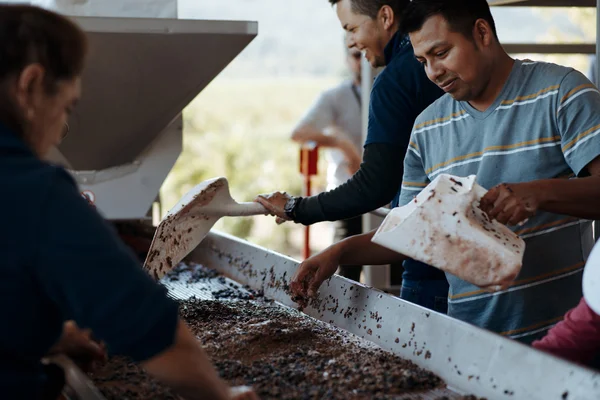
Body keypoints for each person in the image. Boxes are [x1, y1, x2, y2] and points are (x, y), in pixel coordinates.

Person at [287, 0, 600, 344]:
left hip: (566, 341)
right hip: (467, 342)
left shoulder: (562, 92)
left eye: (442, 52)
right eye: (422, 61)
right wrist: (340, 252)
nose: (433, 72)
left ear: (482, 33)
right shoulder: (426, 128)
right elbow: (412, 234)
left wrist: (538, 194)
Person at [0, 5, 257, 400]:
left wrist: (48, 336)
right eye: (67, 106)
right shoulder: (36, 193)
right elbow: (151, 328)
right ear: (30, 86)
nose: (63, 128)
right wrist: (221, 395)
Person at [256, 0, 448, 312]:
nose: (352, 42)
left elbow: (375, 185)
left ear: (386, 16)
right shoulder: (428, 73)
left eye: (352, 28)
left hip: (431, 272)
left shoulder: (396, 79)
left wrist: (296, 208)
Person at [290, 40, 364, 281]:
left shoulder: (393, 93)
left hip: (388, 198)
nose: (361, 61)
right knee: (343, 278)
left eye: (364, 54)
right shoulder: (336, 97)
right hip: (349, 195)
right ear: (347, 60)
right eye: (355, 55)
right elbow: (299, 134)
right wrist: (340, 143)